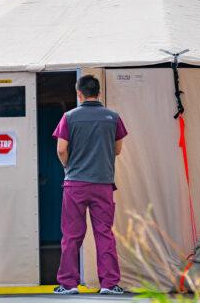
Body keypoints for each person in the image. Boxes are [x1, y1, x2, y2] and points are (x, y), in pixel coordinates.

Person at [52, 74, 128, 295]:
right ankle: (109, 283)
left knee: (72, 235)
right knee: (104, 233)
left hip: (75, 183)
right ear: (99, 92)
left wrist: (69, 167)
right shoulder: (113, 117)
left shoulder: (69, 117)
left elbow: (61, 149)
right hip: (103, 183)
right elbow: (118, 149)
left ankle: (68, 284)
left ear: (79, 93)